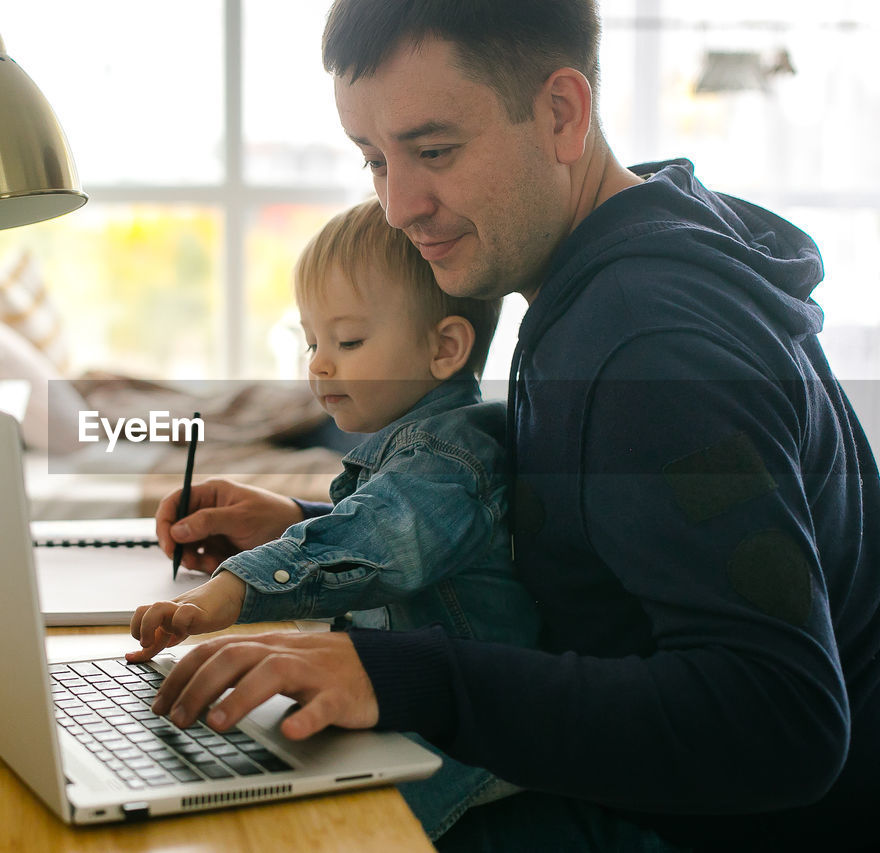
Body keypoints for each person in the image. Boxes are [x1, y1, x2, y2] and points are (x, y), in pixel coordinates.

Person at [142, 1, 880, 850]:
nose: (397, 205)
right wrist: (309, 534)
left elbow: (780, 722)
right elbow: (593, 558)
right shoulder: (603, 274)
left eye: (434, 151)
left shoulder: (650, 343)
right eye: (375, 159)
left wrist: (400, 676)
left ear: (561, 113)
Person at [128, 199, 538, 837]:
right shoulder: (414, 447)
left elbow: (383, 537)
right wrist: (292, 515)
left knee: (327, 832)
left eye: (347, 341)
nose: (318, 364)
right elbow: (375, 517)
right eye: (312, 339)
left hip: (469, 737)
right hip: (412, 701)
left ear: (446, 347)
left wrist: (230, 591)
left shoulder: (450, 457)